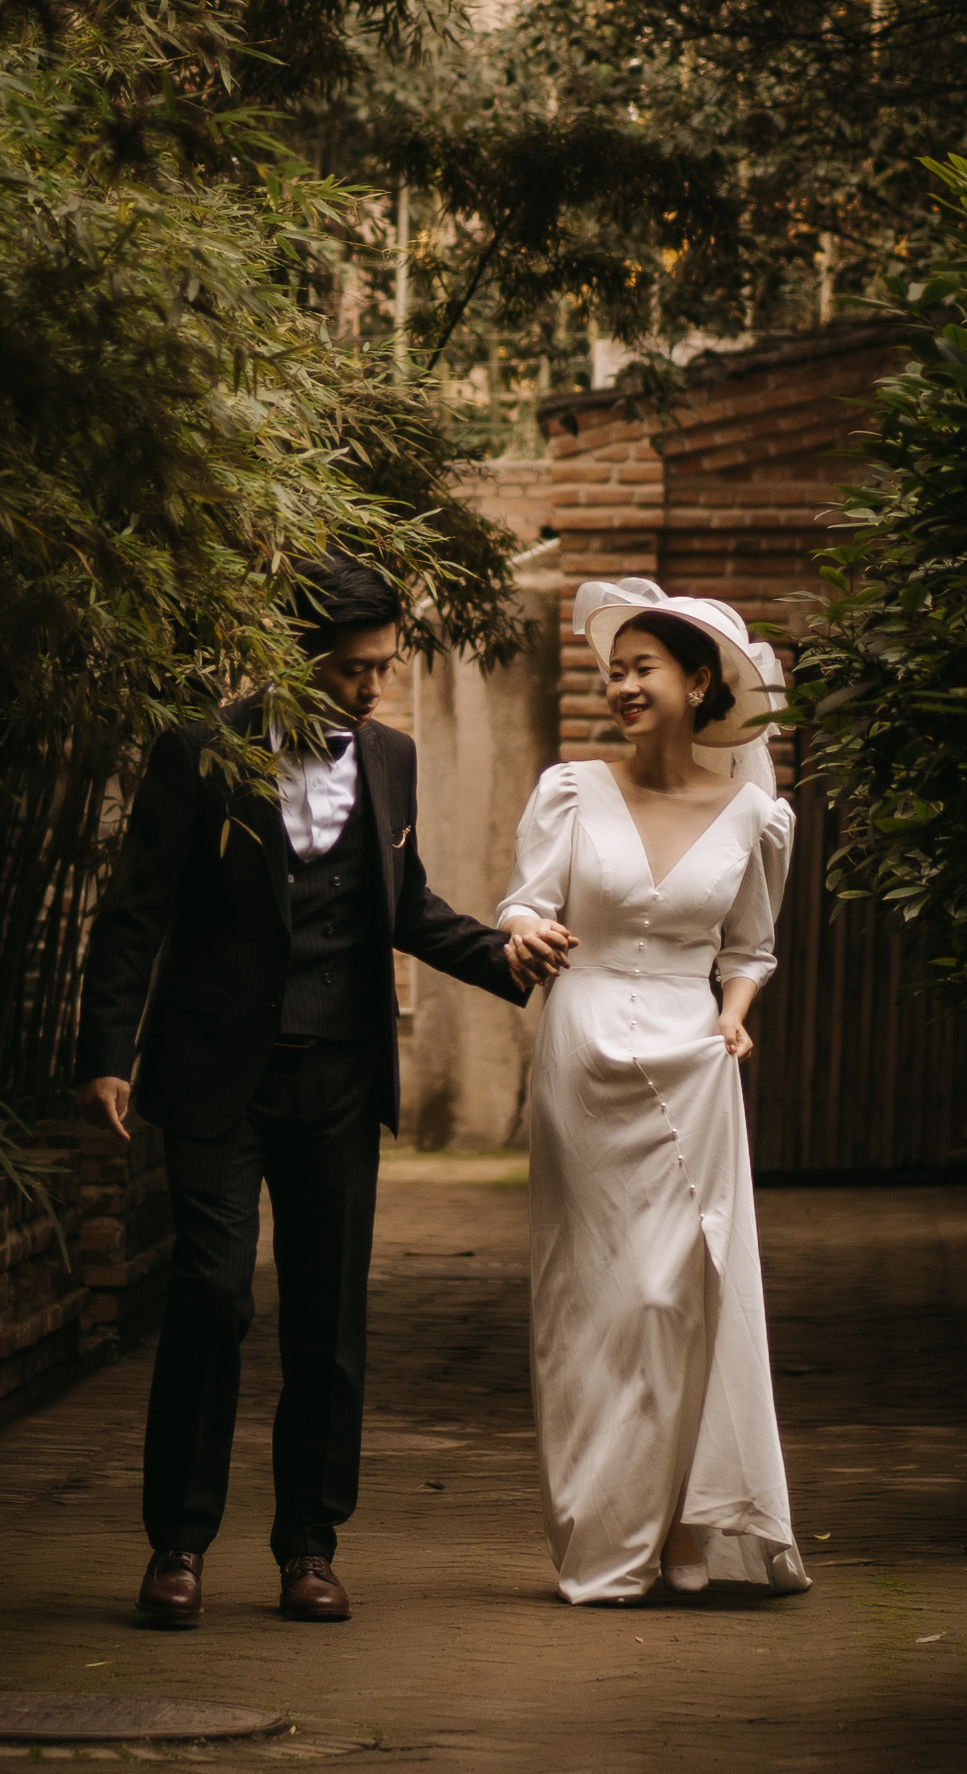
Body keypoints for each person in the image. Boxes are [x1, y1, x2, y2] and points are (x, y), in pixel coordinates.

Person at [73, 557, 529, 1628]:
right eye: (352, 669)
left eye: (383, 668)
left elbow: (402, 906)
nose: (373, 689)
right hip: (214, 1073)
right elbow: (137, 911)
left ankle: (310, 1548)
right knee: (212, 1293)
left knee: (328, 1318)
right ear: (293, 656)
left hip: (338, 1076)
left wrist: (502, 955)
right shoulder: (198, 749)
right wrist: (106, 1052)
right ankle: (178, 1545)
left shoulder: (391, 758)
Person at [496, 578, 814, 1605]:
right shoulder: (569, 790)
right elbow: (524, 904)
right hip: (583, 1053)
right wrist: (525, 933)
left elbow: (750, 947)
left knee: (674, 1292)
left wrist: (735, 1012)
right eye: (616, 670)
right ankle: (603, 1533)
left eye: (644, 669)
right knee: (591, 1297)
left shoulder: (755, 815)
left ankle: (686, 1518)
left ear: (700, 682)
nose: (623, 685)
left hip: (693, 1060)